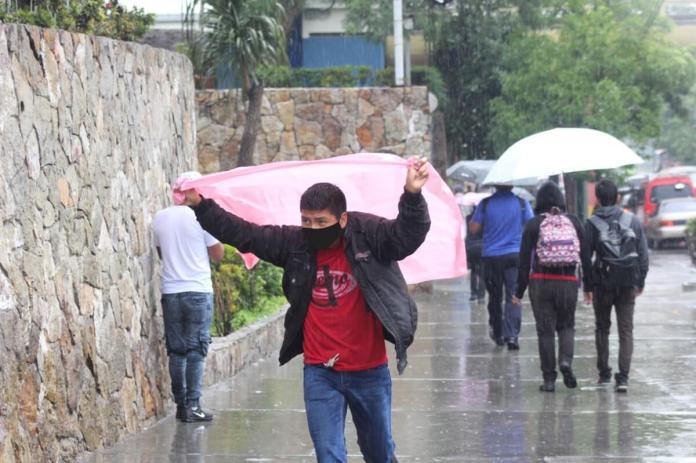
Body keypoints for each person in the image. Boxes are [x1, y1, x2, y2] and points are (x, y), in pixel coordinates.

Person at [180, 158, 431, 462]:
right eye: (306, 221)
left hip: (368, 371)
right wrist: (201, 206)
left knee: (379, 453)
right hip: (320, 372)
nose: (312, 228)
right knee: (328, 455)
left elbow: (407, 235)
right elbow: (247, 234)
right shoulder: (295, 244)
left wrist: (412, 194)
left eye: (321, 222)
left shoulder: (370, 235)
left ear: (342, 220)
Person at [153, 172, 225, 422]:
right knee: (196, 350)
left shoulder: (159, 217)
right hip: (197, 289)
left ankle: (181, 406)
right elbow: (218, 254)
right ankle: (194, 405)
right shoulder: (202, 216)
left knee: (177, 351)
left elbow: (162, 253)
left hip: (171, 291)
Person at [512, 181, 592, 392]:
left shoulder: (533, 224)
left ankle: (549, 379)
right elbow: (585, 256)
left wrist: (518, 291)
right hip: (568, 282)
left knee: (545, 331)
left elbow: (523, 262)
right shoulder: (574, 222)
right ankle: (565, 361)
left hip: (541, 281)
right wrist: (589, 287)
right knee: (566, 325)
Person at [585, 179, 649, 393]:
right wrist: (640, 280)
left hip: (603, 282)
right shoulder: (632, 220)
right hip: (627, 281)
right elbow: (643, 253)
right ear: (618, 197)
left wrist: (587, 286)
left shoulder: (591, 223)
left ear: (597, 198)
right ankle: (623, 378)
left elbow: (585, 258)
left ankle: (604, 374)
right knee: (626, 330)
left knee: (602, 328)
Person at [469, 185, 533, 350]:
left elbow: (473, 228)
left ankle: (498, 333)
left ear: (495, 184)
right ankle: (512, 335)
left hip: (491, 256)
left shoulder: (486, 203)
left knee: (495, 297)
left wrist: (487, 222)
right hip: (514, 255)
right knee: (514, 295)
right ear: (511, 185)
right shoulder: (522, 203)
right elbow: (532, 226)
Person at [465, 204, 486, 303]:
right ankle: (481, 296)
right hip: (482, 247)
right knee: (482, 272)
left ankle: (473, 294)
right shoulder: (484, 219)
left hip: (470, 247)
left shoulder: (468, 218)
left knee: (473, 271)